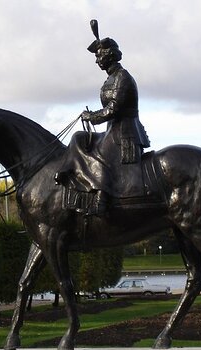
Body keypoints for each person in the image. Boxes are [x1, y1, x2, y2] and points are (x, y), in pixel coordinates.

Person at [56, 21, 150, 215]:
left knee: (98, 158)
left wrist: (92, 116)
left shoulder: (123, 77)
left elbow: (114, 108)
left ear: (109, 56)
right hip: (111, 130)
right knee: (78, 138)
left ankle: (101, 198)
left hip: (125, 133)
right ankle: (68, 173)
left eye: (99, 55)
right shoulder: (110, 79)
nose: (97, 60)